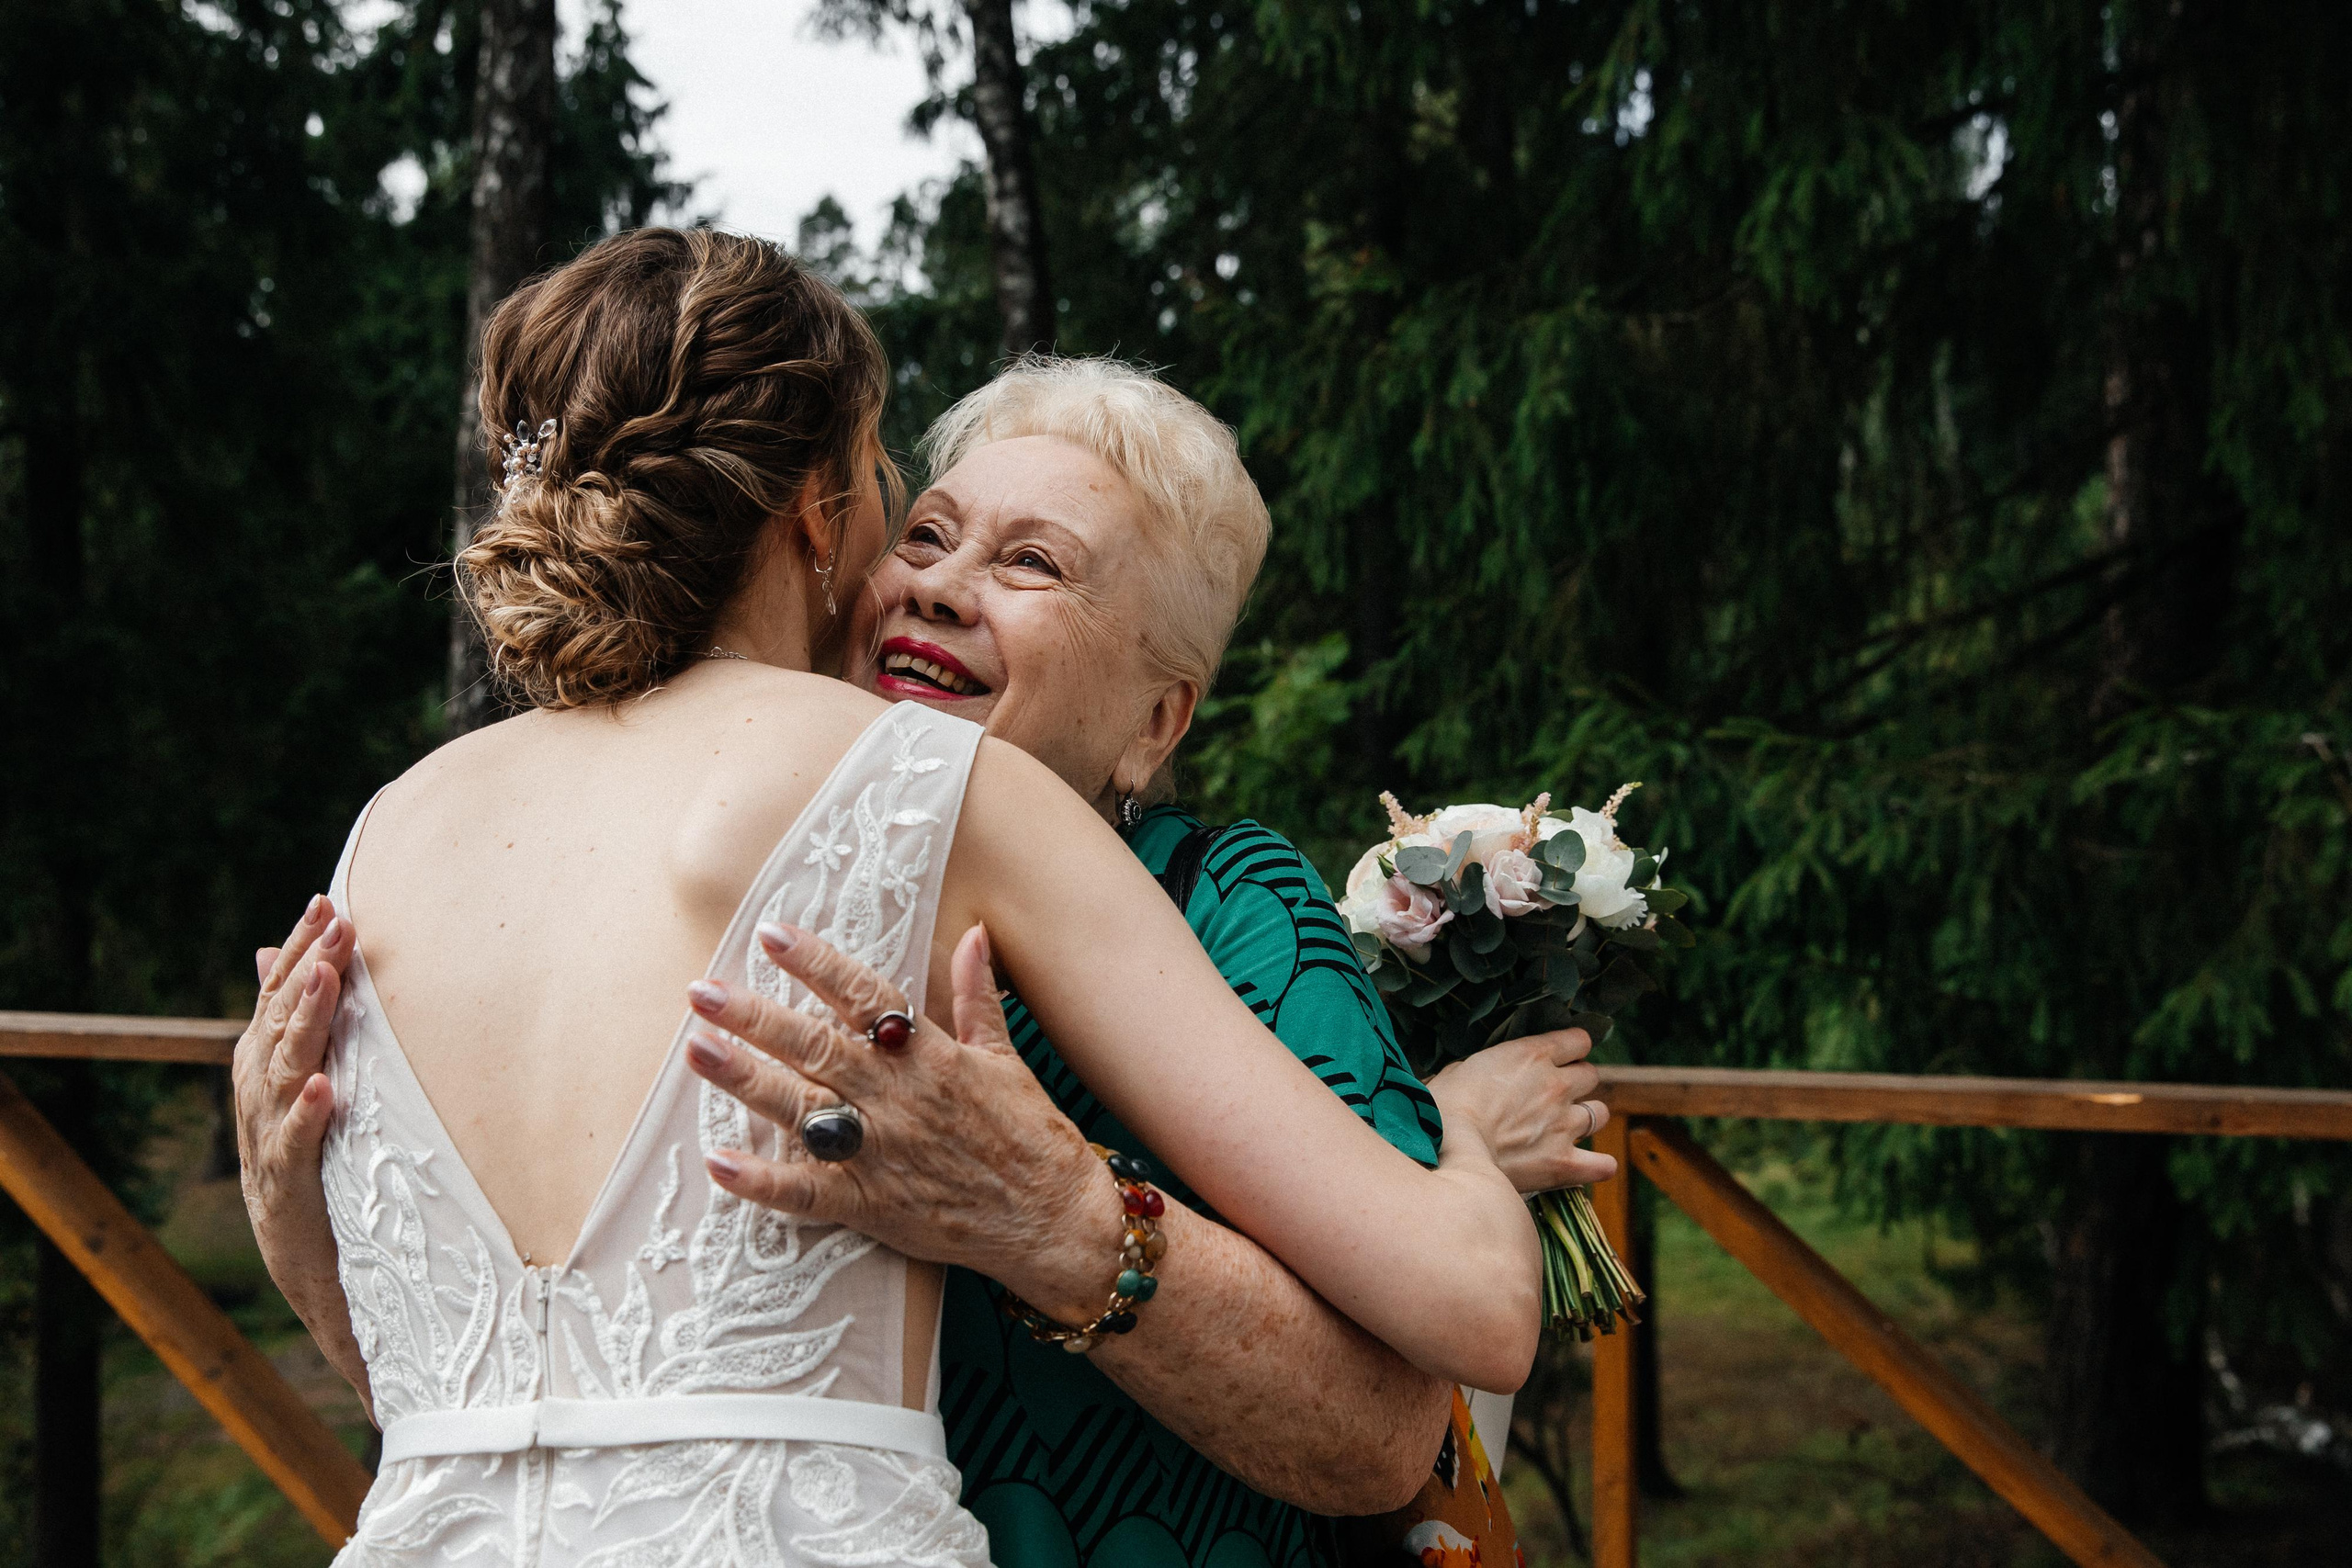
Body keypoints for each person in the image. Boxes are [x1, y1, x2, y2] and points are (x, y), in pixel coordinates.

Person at [234, 232, 1611, 1566]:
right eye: (925, 519)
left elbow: (477, 1430)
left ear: (1160, 718)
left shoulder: (390, 835)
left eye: (1030, 564)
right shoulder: (916, 784)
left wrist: (300, 1232)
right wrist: (1467, 1149)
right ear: (828, 514)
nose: (935, 585)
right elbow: (1482, 1297)